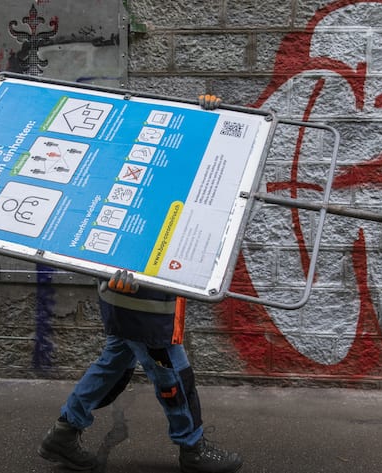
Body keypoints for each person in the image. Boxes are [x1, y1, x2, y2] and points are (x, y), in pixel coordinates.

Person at [38, 95, 243, 473]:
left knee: (113, 363)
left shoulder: (175, 173)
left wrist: (207, 111)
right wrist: (114, 272)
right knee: (173, 375)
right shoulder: (126, 175)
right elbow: (97, 227)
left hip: (142, 300)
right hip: (139, 303)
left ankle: (64, 433)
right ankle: (193, 449)